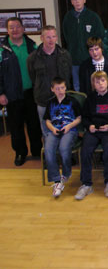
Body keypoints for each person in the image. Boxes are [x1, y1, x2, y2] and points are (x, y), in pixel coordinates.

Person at [0, 17, 42, 166]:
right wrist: (1, 93)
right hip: (12, 94)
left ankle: (37, 150)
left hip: (31, 92)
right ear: (7, 30)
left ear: (23, 29)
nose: (15, 30)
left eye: (18, 27)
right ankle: (20, 153)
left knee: (34, 124)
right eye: (11, 27)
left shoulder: (32, 46)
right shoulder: (2, 49)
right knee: (16, 126)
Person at [75, 71, 108, 200]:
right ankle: (86, 184)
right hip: (93, 131)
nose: (100, 84)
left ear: (107, 82)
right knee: (85, 151)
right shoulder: (90, 98)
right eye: (97, 82)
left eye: (102, 81)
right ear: (93, 84)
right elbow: (85, 117)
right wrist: (89, 125)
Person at [27, 25, 72, 137]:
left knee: (65, 128)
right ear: (42, 38)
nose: (51, 40)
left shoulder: (65, 55)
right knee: (47, 132)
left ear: (57, 37)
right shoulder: (33, 57)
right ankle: (50, 153)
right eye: (48, 37)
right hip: (43, 99)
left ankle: (64, 153)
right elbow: (33, 77)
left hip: (62, 99)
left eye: (53, 36)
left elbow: (68, 74)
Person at [43, 77, 82, 197]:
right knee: (48, 150)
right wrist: (52, 129)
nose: (60, 90)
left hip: (69, 130)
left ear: (66, 88)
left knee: (63, 148)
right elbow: (47, 120)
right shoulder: (50, 103)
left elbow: (79, 118)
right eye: (57, 88)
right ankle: (56, 180)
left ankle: (66, 174)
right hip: (54, 131)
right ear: (52, 89)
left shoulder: (72, 101)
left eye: (62, 88)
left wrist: (69, 126)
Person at [62, 0, 104, 91]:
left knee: (93, 85)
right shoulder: (68, 18)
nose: (77, 1)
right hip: (75, 60)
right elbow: (66, 37)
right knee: (77, 86)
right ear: (71, 2)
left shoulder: (93, 17)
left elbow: (100, 36)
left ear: (84, 0)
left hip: (91, 60)